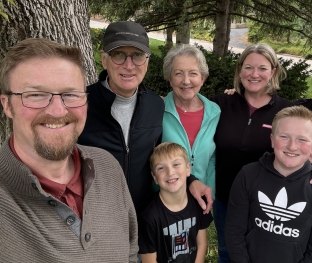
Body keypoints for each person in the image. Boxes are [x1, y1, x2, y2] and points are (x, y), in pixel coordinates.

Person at [0, 38, 137, 262]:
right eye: (36, 95)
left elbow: (130, 253)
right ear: (7, 105)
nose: (57, 110)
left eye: (70, 94)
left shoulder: (108, 168)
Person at [211, 43, 292, 262]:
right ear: (239, 70)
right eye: (248, 67)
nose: (254, 74)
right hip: (225, 198)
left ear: (273, 71)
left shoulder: (284, 112)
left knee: (261, 254)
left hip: (267, 202)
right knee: (228, 251)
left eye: (262, 68)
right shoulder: (221, 104)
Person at [78, 21, 164, 213]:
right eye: (118, 54)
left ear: (147, 62)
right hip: (95, 219)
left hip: (143, 218)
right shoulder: (80, 105)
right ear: (104, 59)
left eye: (138, 55)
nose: (129, 65)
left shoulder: (156, 106)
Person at [225, 105, 312, 263]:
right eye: (284, 137)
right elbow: (234, 232)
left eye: (302, 139)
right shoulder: (248, 175)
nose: (292, 146)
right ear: (272, 140)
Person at [162, 44, 221, 208]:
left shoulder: (215, 112)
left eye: (193, 73)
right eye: (178, 74)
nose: (186, 81)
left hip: (201, 199)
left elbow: (213, 158)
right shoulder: (157, 110)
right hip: (165, 200)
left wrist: (210, 190)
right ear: (170, 78)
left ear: (202, 78)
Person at [139, 142, 213, 263]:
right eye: (161, 168)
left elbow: (202, 244)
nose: (170, 172)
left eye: (176, 164)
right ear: (154, 177)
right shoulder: (149, 217)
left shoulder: (198, 203)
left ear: (188, 168)